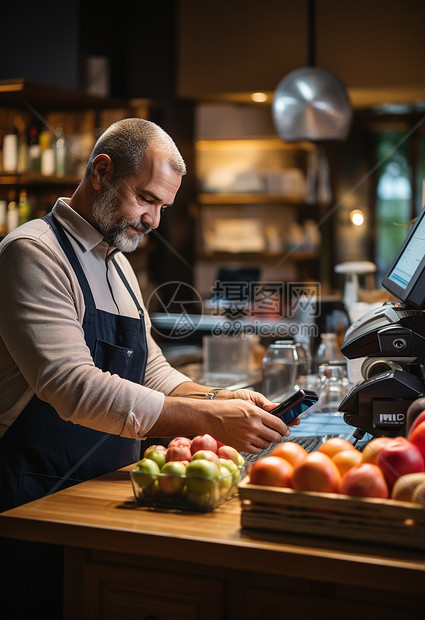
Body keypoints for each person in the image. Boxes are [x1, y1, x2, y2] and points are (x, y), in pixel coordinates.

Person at [0, 117, 297, 618]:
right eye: (146, 199)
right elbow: (72, 387)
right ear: (101, 171)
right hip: (35, 494)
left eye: (163, 206)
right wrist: (207, 421)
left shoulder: (117, 262)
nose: (154, 220)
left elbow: (150, 369)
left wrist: (217, 399)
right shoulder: (32, 253)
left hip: (102, 490)